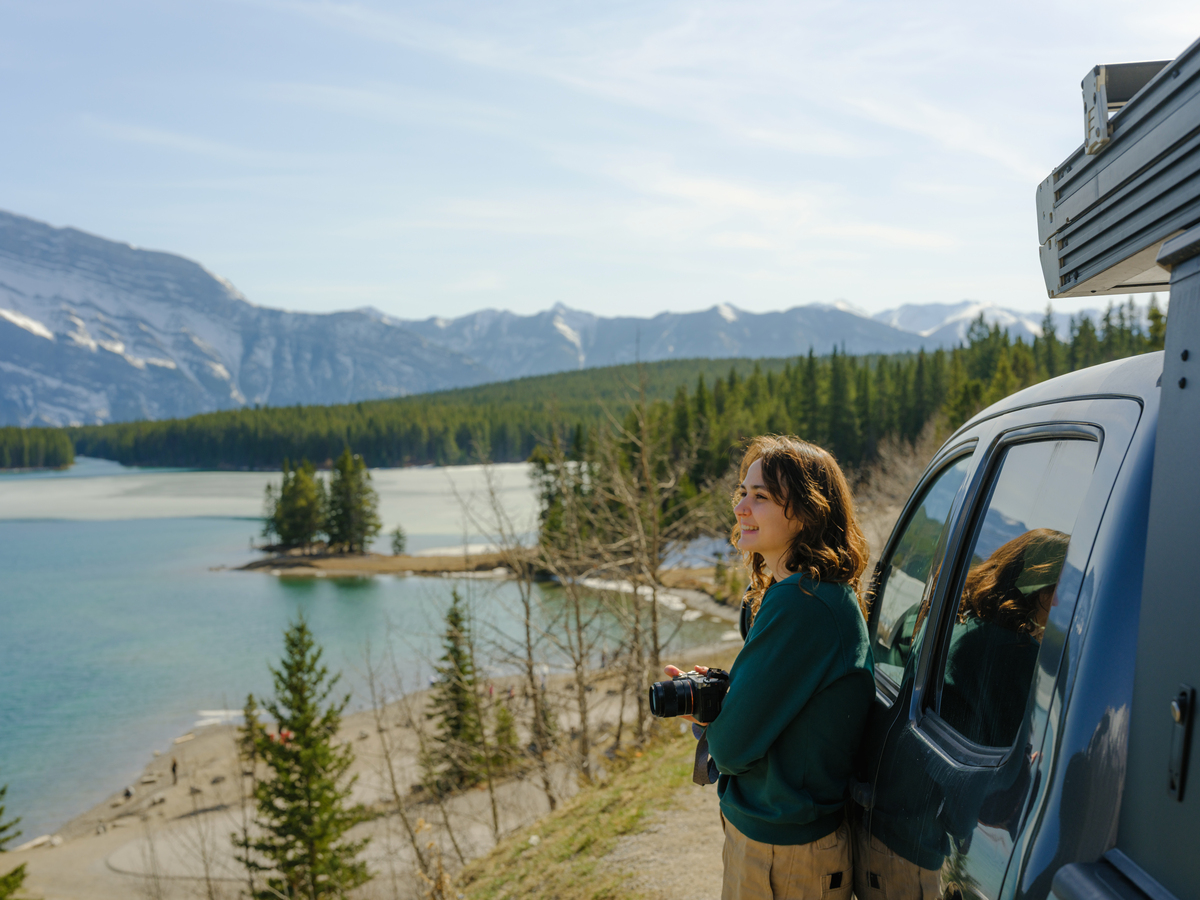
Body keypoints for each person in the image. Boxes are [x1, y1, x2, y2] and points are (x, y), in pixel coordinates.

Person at [666, 435, 874, 900]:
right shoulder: (809, 594)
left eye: (761, 496)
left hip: (784, 856)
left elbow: (734, 747)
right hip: (784, 845)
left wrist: (714, 720)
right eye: (742, 492)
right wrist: (722, 705)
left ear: (807, 512)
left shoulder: (803, 604)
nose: (742, 507)